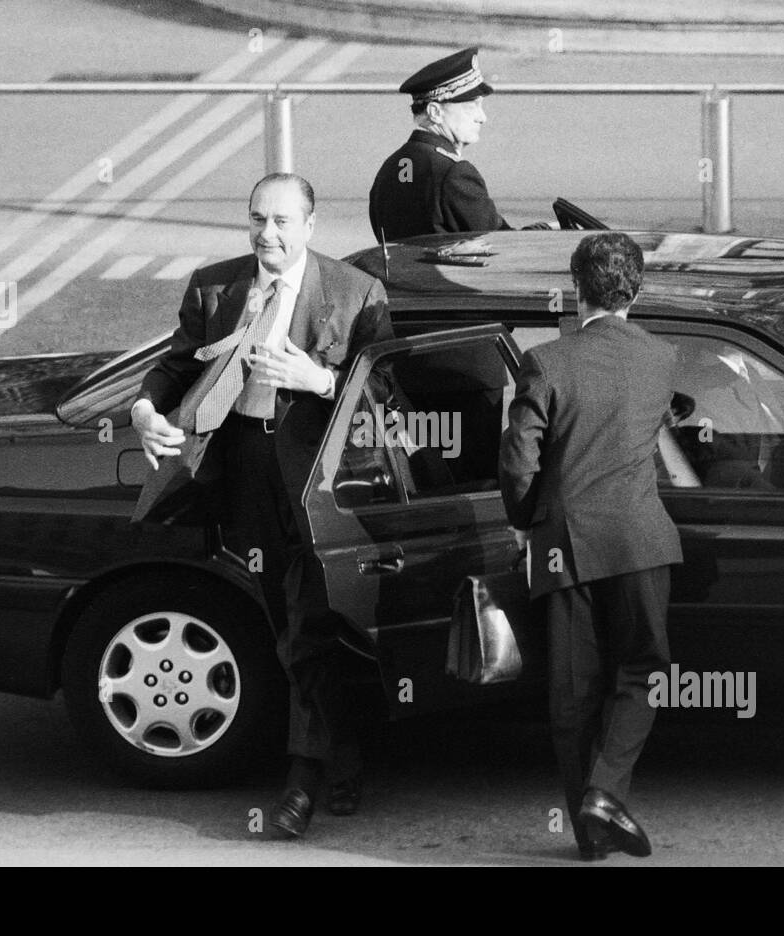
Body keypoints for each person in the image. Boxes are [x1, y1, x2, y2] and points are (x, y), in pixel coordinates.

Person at [129, 173, 395, 839]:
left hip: (318, 479)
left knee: (307, 622)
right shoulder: (216, 286)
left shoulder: (355, 293)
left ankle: (303, 779)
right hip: (244, 468)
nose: (266, 235)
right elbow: (175, 367)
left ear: (309, 226)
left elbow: (388, 398)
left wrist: (324, 380)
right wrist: (142, 409)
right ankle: (346, 751)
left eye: (281, 222)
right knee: (285, 620)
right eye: (257, 220)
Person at [498, 232, 683, 861]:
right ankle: (607, 793)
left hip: (565, 547)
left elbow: (518, 461)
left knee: (571, 694)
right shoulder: (661, 358)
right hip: (639, 541)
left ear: (577, 290)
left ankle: (590, 836)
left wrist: (524, 520)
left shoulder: (547, 362)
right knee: (644, 671)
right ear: (637, 290)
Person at [370, 47, 546, 241]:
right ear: (435, 112)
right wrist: (548, 230)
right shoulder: (454, 174)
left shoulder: (392, 167)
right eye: (472, 106)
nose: (482, 117)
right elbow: (502, 245)